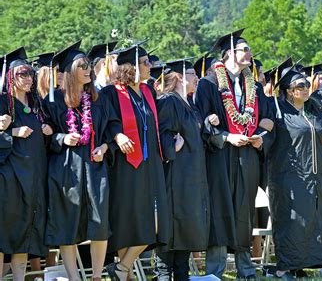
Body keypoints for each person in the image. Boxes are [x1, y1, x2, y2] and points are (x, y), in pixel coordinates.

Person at [194, 29, 274, 279]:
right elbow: (201, 123)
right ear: (230, 53)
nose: (250, 54)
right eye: (245, 49)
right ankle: (215, 271)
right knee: (220, 210)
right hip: (220, 156)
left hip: (248, 154)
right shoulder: (209, 84)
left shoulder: (255, 87)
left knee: (245, 211)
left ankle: (246, 269)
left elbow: (268, 119)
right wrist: (227, 136)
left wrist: (261, 136)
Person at [41, 40, 122, 281]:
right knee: (67, 224)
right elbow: (45, 137)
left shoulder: (98, 100)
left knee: (99, 223)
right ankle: (74, 278)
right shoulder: (52, 101)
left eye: (88, 64)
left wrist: (105, 146)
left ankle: (96, 276)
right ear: (69, 71)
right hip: (65, 169)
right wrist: (63, 138)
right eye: (83, 65)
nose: (88, 69)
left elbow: (111, 127)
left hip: (95, 166)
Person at [100, 43, 171, 281]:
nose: (150, 66)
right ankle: (126, 275)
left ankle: (121, 268)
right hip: (127, 166)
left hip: (151, 165)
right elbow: (108, 121)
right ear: (132, 67)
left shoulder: (148, 92)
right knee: (127, 222)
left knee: (157, 223)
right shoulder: (112, 93)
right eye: (146, 62)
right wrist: (118, 134)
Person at [267, 63, 322, 280]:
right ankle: (283, 268)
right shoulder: (278, 111)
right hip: (289, 177)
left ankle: (301, 266)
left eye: (307, 85)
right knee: (292, 221)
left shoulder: (311, 110)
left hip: (315, 176)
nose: (306, 88)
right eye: (300, 86)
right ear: (288, 90)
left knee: (312, 220)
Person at [154, 59, 210, 280]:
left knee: (187, 227)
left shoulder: (188, 102)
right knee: (173, 228)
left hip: (192, 176)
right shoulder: (169, 101)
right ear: (179, 77)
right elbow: (162, 132)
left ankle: (182, 274)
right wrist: (172, 147)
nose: (197, 78)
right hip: (175, 177)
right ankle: (164, 275)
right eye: (192, 74)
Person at [0, 48, 51, 281]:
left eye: (31, 73)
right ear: (10, 76)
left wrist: (48, 131)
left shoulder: (36, 103)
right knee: (5, 234)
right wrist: (11, 130)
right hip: (10, 181)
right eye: (23, 73)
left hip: (33, 178)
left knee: (24, 232)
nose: (29, 77)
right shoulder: (2, 103)